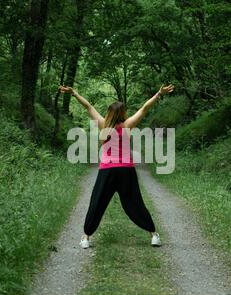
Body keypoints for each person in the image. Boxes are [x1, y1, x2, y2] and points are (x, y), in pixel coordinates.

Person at [59, 84, 175, 249]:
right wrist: (158, 94)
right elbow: (144, 109)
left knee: (97, 202)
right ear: (122, 113)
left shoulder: (102, 124)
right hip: (126, 170)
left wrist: (74, 93)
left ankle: (85, 237)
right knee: (135, 202)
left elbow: (88, 106)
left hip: (107, 170)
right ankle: (154, 235)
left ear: (109, 112)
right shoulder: (127, 125)